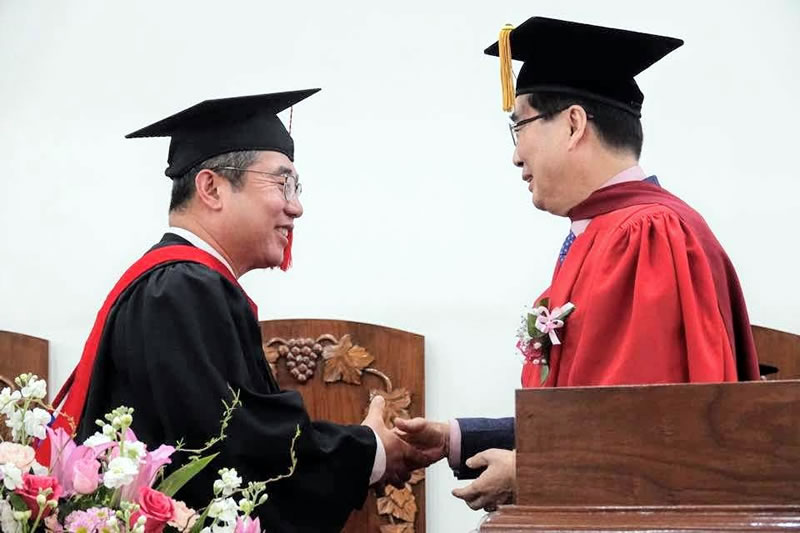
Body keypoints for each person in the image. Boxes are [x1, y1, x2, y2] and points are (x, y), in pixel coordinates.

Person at [396, 16, 761, 512]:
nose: (515, 155)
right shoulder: (605, 231)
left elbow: (650, 428)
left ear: (572, 125)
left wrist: (531, 473)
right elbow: (587, 413)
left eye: (519, 126)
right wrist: (455, 438)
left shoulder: (646, 236)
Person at [49, 89, 424, 532]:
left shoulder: (181, 286)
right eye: (282, 184)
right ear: (211, 188)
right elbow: (238, 451)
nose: (296, 207)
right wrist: (370, 450)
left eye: (296, 187)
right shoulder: (181, 290)